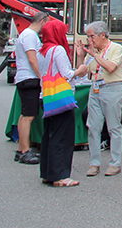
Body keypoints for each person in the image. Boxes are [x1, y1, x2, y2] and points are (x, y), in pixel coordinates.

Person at [73, 21, 122, 177]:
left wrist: (94, 54)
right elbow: (81, 72)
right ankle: (94, 163)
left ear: (103, 35)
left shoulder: (116, 48)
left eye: (92, 36)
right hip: (95, 89)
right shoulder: (92, 52)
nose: (90, 40)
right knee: (93, 126)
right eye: (88, 36)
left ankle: (115, 163)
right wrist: (81, 56)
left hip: (112, 88)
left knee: (113, 127)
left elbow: (110, 67)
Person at [38, 20, 79, 187]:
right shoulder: (58, 50)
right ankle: (61, 175)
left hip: (46, 96)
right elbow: (66, 74)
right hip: (60, 98)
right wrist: (80, 70)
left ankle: (48, 173)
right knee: (62, 137)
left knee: (49, 135)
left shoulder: (42, 51)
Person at [13, 11, 49, 164]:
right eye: (47, 23)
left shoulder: (27, 35)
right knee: (29, 116)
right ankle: (25, 151)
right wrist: (42, 78)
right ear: (42, 21)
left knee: (25, 114)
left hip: (25, 77)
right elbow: (32, 59)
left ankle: (22, 148)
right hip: (29, 78)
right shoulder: (30, 36)